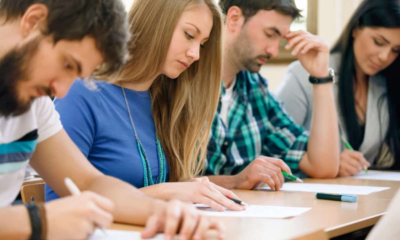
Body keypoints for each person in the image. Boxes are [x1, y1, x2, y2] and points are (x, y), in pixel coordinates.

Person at [0, 1, 224, 240]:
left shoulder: (35, 101)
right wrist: (40, 220)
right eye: (67, 64)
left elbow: (90, 182)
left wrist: (163, 211)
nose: (62, 91)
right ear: (33, 21)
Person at [45, 0, 244, 212]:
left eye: (202, 44)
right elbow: (59, 204)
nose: (195, 54)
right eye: (189, 35)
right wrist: (165, 192)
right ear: (156, 22)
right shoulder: (82, 92)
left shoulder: (169, 100)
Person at [205, 0, 340, 190]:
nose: (274, 51)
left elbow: (323, 166)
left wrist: (321, 77)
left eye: (281, 39)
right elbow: (165, 180)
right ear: (234, 19)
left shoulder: (255, 89)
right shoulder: (183, 81)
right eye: (270, 34)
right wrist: (235, 182)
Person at [276, 0, 400, 176]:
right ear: (356, 28)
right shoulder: (303, 73)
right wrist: (326, 161)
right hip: (305, 193)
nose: (384, 56)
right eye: (379, 42)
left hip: (358, 194)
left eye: (395, 50)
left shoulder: (385, 84)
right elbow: (272, 145)